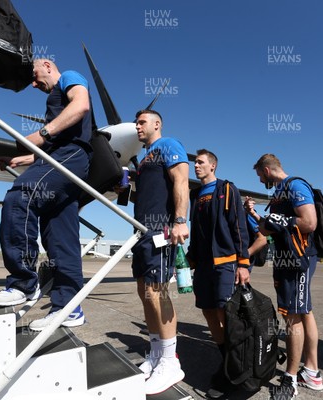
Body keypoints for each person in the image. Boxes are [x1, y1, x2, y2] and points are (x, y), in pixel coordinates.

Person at [0, 58, 92, 332]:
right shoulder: (55, 99)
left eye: (34, 76)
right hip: (62, 159)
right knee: (61, 238)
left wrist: (42, 133)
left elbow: (81, 105)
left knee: (19, 198)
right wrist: (17, 159)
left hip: (68, 156)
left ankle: (23, 283)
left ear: (47, 65)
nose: (34, 84)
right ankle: (69, 308)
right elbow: (49, 147)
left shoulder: (69, 74)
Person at [245, 153, 322, 400]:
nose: (259, 180)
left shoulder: (295, 186)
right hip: (287, 259)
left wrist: (276, 220)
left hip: (298, 261)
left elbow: (309, 222)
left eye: (259, 175)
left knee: (292, 316)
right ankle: (311, 371)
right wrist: (260, 218)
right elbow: (273, 227)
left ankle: (290, 380)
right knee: (304, 312)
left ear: (266, 170)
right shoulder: (280, 192)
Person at [125, 109, 189, 395]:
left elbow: (181, 182)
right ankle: (155, 353)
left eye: (141, 122)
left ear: (157, 124)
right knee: (144, 291)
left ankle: (170, 362)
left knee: (156, 291)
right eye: (136, 122)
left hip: (161, 230)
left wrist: (179, 220)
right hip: (141, 231)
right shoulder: (145, 157)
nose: (137, 126)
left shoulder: (169, 145)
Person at [185, 149, 250, 398]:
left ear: (213, 166)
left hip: (225, 262)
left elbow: (238, 224)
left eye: (200, 162)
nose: (196, 166)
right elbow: (195, 227)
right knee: (209, 312)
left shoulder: (226, 189)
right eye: (195, 163)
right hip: (202, 265)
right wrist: (190, 257)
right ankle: (227, 364)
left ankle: (238, 372)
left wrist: (243, 263)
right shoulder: (194, 194)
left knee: (226, 315)